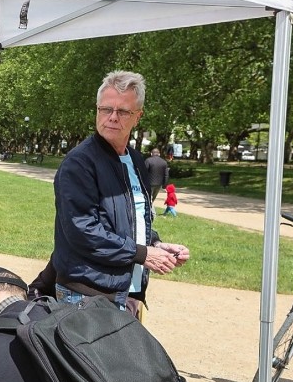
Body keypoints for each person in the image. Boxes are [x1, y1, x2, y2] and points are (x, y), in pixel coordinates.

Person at [53, 71, 190, 314]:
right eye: (106, 109)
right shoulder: (79, 163)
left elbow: (131, 219)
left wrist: (156, 243)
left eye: (123, 111)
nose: (113, 118)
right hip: (87, 295)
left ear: (138, 116)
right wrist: (143, 254)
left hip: (126, 290)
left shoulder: (136, 160)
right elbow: (82, 230)